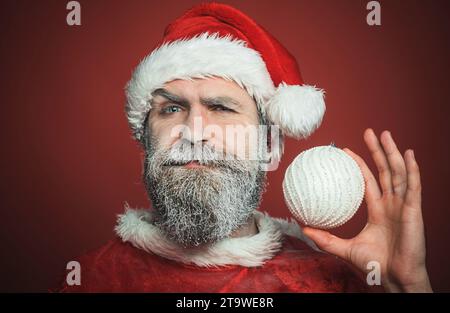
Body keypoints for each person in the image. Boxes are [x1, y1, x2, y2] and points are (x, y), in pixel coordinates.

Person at [59, 2, 432, 292]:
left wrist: (407, 286)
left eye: (220, 108)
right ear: (144, 137)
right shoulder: (90, 279)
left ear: (270, 143)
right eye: (172, 108)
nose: (194, 131)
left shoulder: (332, 281)